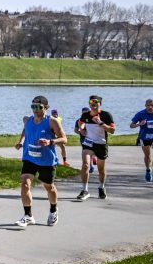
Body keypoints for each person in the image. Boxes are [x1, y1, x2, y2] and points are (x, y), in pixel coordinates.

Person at [14, 95, 66, 227]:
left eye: (39, 107)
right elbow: (25, 130)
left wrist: (50, 141)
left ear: (46, 107)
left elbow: (64, 139)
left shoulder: (52, 121)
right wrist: (21, 142)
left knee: (49, 187)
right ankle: (28, 216)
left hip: (46, 160)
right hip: (29, 158)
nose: (35, 109)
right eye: (33, 106)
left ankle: (53, 210)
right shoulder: (27, 120)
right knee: (25, 184)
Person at [75, 95, 115, 200]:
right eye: (91, 102)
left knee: (101, 169)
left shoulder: (106, 115)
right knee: (85, 165)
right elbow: (81, 123)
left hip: (101, 144)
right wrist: (81, 129)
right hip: (88, 143)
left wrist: (100, 123)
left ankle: (101, 187)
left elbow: (112, 130)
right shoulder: (85, 115)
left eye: (96, 102)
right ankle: (85, 190)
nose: (93, 104)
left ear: (100, 104)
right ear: (89, 104)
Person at [129, 99, 153, 182]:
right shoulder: (140, 114)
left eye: (152, 105)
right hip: (144, 137)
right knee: (147, 155)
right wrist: (140, 124)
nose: (150, 107)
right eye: (148, 105)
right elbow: (131, 125)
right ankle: (148, 170)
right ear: (145, 105)